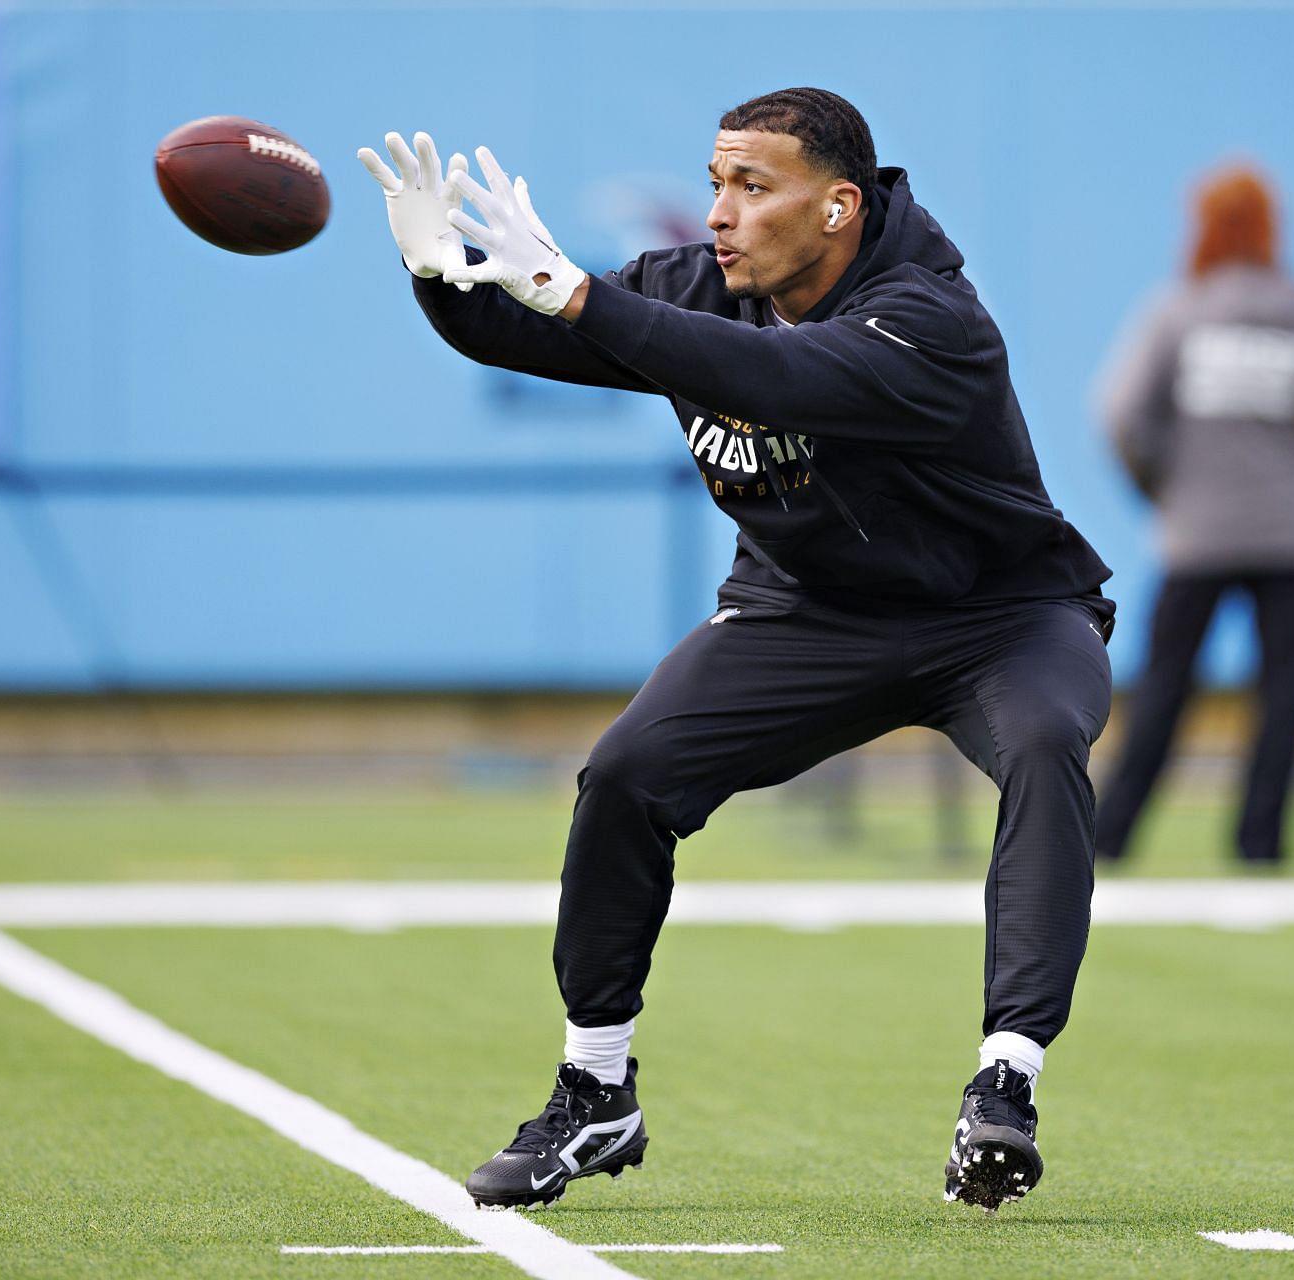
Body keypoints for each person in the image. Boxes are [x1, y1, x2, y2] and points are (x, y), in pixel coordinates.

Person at [358, 88, 1114, 1214]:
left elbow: (777, 379)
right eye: (715, 181)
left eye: (753, 186)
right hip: (806, 609)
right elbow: (527, 327)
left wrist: (575, 295)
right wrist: (441, 278)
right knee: (625, 774)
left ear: (839, 207)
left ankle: (1006, 1081)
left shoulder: (933, 317)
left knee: (1047, 741)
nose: (720, 212)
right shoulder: (697, 288)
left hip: (998, 615)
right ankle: (594, 1088)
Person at [1094, 164, 1294, 868]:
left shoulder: (1180, 312)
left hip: (1197, 530)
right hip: (1291, 532)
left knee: (1165, 686)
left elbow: (1122, 414)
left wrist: (1158, 487)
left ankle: (1112, 835)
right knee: (1283, 692)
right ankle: (1261, 842)